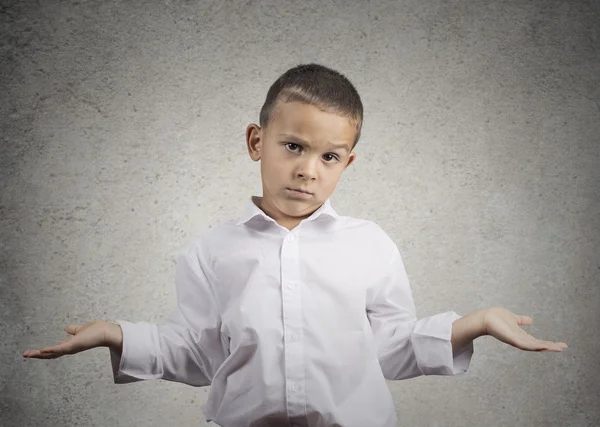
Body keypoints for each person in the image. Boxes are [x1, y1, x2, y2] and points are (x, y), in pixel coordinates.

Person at [23, 63, 568, 427]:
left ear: (347, 163)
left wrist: (473, 322)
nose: (308, 170)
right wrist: (114, 336)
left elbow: (390, 349)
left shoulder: (370, 245)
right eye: (292, 146)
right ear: (256, 142)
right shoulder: (211, 251)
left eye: (329, 157)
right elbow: (199, 354)